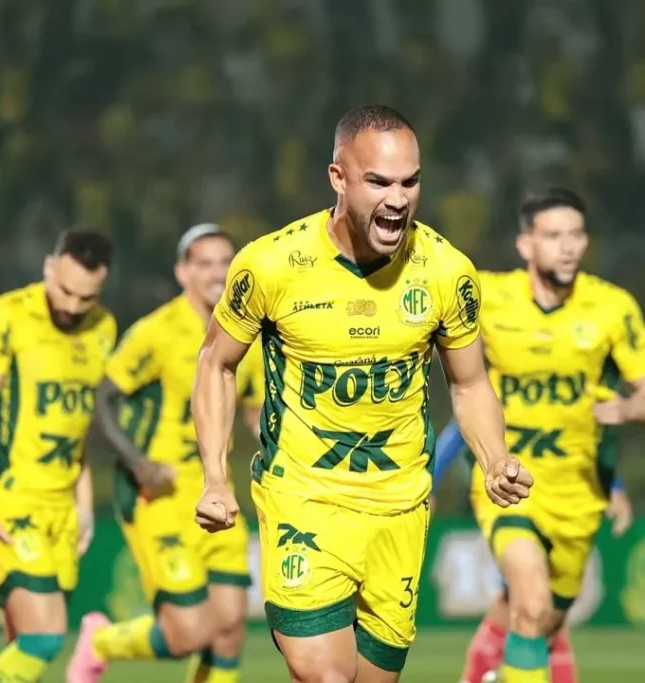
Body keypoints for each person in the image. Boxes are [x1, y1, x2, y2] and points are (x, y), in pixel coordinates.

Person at [187, 105, 530, 683]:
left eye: (410, 182)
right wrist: (216, 478)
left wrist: (495, 457)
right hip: (305, 500)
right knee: (326, 676)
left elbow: (469, 382)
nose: (398, 199)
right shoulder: (271, 264)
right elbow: (216, 363)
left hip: (399, 507)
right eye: (379, 182)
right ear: (338, 178)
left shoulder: (447, 272)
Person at [431, 188, 645, 683]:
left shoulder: (612, 307)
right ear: (526, 245)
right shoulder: (488, 296)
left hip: (579, 494)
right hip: (510, 482)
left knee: (543, 623)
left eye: (575, 235)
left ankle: (484, 674)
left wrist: (630, 409)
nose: (567, 247)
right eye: (553, 236)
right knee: (530, 603)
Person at [68, 224, 265, 683]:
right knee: (189, 634)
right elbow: (104, 397)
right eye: (205, 263)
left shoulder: (249, 332)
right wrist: (138, 464)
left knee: (231, 627)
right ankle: (100, 643)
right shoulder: (157, 331)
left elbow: (253, 407)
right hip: (158, 492)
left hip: (214, 489)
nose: (218, 272)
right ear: (183, 272)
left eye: (225, 262)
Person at [0, 230, 116, 683]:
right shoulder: (2, 319)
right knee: (45, 635)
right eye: (65, 290)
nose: (72, 306)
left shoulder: (103, 328)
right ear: (49, 268)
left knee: (23, 641)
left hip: (61, 508)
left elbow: (79, 425)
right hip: (8, 499)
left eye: (87, 297)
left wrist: (84, 505)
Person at [431, 418, 634, 683]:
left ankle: (492, 673)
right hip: (513, 503)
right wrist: (430, 484)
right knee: (528, 601)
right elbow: (462, 425)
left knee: (534, 609)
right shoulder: (497, 382)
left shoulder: (566, 390)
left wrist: (613, 484)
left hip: (562, 506)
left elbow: (579, 436)